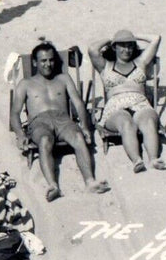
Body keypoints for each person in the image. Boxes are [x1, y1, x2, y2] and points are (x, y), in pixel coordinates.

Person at [11, 42, 110, 201]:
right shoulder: (25, 84)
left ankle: (90, 182)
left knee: (78, 138)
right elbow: (14, 113)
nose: (48, 64)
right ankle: (53, 185)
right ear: (35, 62)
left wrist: (84, 126)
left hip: (63, 119)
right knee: (44, 140)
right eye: (43, 61)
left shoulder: (63, 78)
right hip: (39, 122)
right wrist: (20, 134)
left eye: (50, 60)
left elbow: (78, 103)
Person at [88, 31, 166, 173]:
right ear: (114, 47)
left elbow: (156, 38)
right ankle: (137, 160)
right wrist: (112, 38)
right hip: (115, 107)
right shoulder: (105, 66)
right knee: (125, 122)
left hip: (140, 103)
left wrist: (133, 35)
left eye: (130, 46)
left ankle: (154, 159)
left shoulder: (141, 62)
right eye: (122, 46)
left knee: (148, 121)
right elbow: (92, 49)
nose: (126, 50)